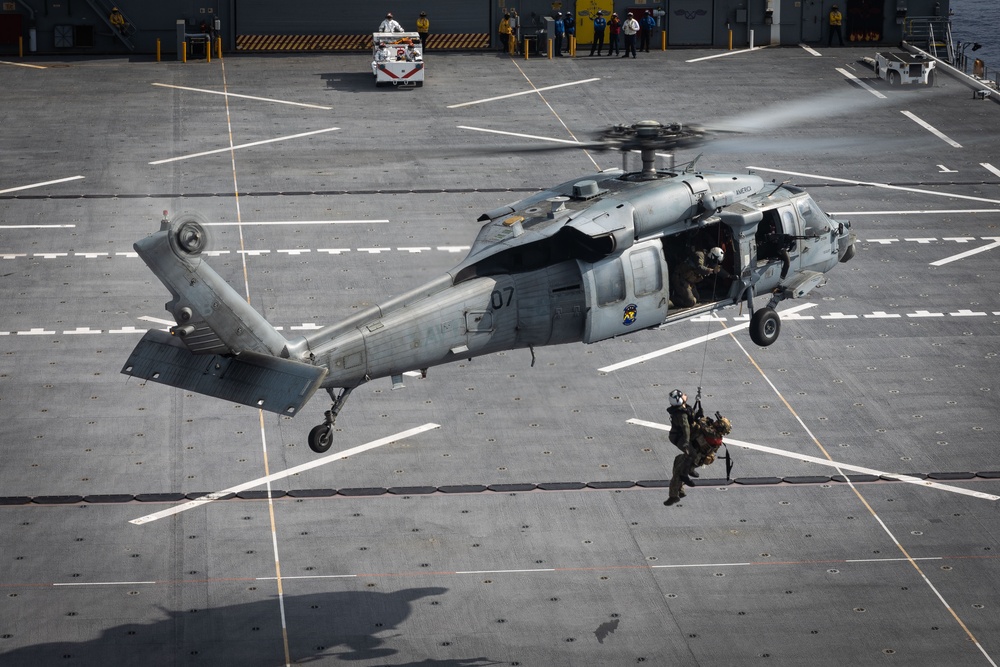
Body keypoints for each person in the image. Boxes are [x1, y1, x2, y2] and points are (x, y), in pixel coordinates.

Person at [666, 409, 732, 507]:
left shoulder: (713, 435)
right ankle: (681, 489)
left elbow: (702, 426)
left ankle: (673, 496)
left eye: (718, 422)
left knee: (678, 473)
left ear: (719, 427)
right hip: (697, 457)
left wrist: (701, 417)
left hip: (695, 458)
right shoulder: (716, 436)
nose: (716, 422)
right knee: (677, 461)